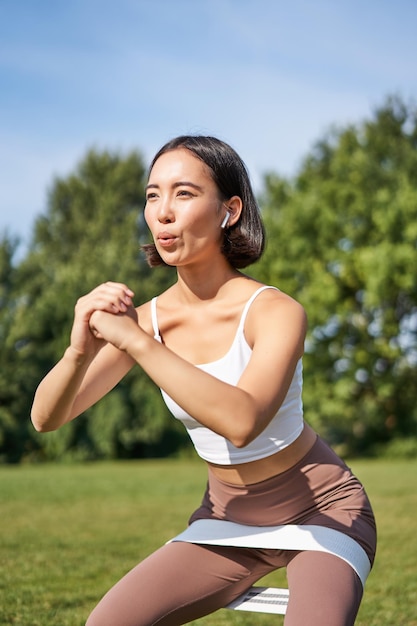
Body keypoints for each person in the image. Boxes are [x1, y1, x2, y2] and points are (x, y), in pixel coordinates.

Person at [31, 135, 376, 626]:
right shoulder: (145, 322)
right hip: (225, 518)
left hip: (322, 510)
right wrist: (77, 351)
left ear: (228, 211)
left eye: (184, 193)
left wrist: (137, 343)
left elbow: (242, 420)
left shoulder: (274, 311)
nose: (163, 212)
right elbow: (46, 417)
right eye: (153, 195)